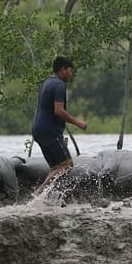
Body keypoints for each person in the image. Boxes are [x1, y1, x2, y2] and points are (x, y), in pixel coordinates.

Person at [31, 56, 87, 195]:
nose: (71, 74)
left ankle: (46, 198)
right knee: (67, 165)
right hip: (50, 130)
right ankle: (38, 194)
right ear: (63, 69)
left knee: (56, 167)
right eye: (70, 70)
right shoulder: (59, 85)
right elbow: (59, 111)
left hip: (38, 129)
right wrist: (78, 123)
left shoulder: (46, 82)